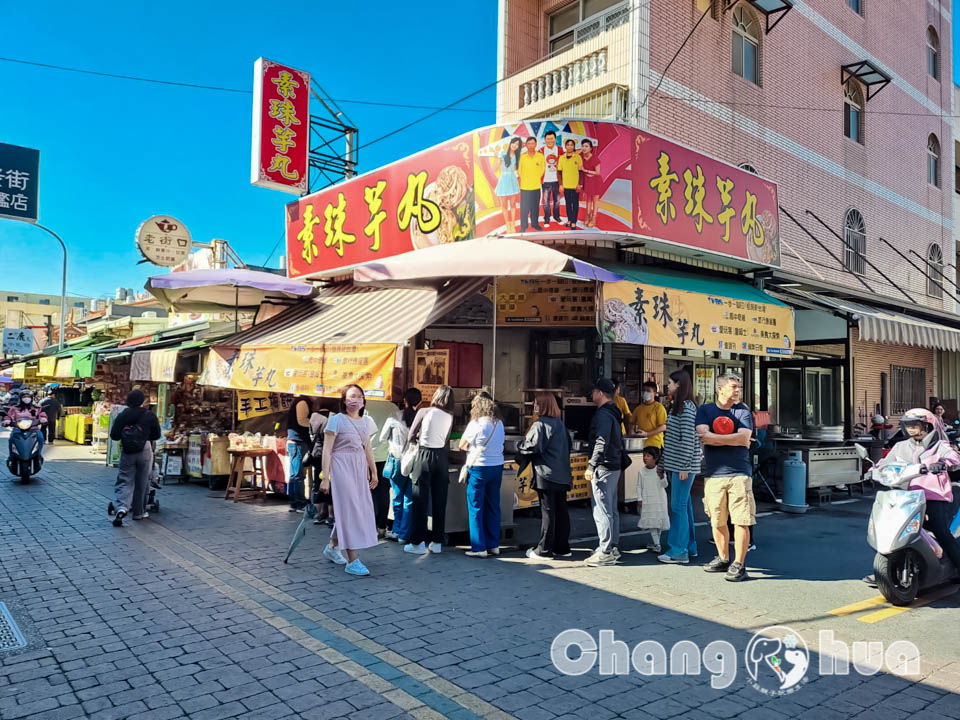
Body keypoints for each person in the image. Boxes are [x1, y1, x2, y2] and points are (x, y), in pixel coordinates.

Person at [863, 408, 960, 586]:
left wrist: (943, 463)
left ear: (928, 426)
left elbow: (954, 458)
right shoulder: (900, 447)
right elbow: (884, 463)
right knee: (891, 528)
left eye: (916, 425)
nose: (911, 429)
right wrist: (872, 471)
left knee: (940, 531)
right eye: (908, 426)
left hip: (934, 496)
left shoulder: (940, 446)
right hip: (905, 495)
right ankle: (886, 568)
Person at [696, 373, 755, 582]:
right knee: (717, 519)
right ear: (720, 389)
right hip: (713, 474)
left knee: (741, 520)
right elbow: (703, 437)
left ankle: (739, 563)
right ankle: (723, 558)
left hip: (740, 472)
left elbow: (744, 437)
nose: (737, 390)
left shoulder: (743, 410)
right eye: (733, 386)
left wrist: (715, 438)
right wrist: (733, 440)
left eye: (739, 386)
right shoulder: (705, 410)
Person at [319, 385, 380, 576]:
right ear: (344, 400)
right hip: (341, 467)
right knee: (350, 509)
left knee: (354, 508)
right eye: (352, 396)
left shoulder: (367, 421)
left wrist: (373, 471)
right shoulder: (336, 420)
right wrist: (325, 477)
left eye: (360, 396)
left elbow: (367, 447)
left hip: (358, 467)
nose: (356, 400)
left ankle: (332, 547)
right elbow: (327, 450)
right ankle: (352, 559)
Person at [518, 392, 572, 559]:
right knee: (561, 511)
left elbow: (531, 446)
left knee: (548, 511)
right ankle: (562, 548)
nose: (534, 407)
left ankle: (544, 549)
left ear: (543, 406)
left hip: (546, 473)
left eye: (536, 404)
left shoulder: (540, 424)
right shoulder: (560, 424)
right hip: (562, 473)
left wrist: (519, 447)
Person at [404, 386, 455, 555]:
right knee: (440, 500)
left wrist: (420, 436)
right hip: (441, 458)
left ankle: (417, 543)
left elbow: (411, 435)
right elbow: (445, 440)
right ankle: (437, 542)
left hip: (424, 455)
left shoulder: (424, 411)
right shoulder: (450, 416)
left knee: (420, 500)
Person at [658, 370, 701, 564]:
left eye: (670, 383)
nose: (668, 386)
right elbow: (673, 440)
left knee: (678, 508)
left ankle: (678, 550)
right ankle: (689, 546)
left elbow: (688, 441)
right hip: (679, 465)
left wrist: (683, 466)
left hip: (683, 466)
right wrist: (663, 463)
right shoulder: (681, 407)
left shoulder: (686, 408)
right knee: (685, 507)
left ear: (679, 385)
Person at [584, 377, 625, 567]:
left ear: (600, 393)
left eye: (594, 392)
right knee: (611, 508)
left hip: (604, 466)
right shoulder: (614, 412)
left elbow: (601, 441)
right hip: (614, 464)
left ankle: (605, 550)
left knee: (602, 509)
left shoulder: (602, 415)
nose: (592, 395)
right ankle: (612, 546)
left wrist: (592, 465)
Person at [460, 393, 505, 558]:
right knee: (493, 506)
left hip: (479, 468)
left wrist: (473, 447)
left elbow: (462, 445)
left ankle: (479, 547)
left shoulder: (475, 424)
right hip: (497, 467)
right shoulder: (499, 424)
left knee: (476, 507)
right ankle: (494, 545)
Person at [107, 390, 161, 527]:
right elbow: (156, 435)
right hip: (145, 450)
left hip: (127, 451)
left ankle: (122, 508)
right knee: (142, 482)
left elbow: (114, 435)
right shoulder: (149, 415)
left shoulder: (123, 415)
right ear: (142, 401)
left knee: (125, 479)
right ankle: (138, 513)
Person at [380, 388, 421, 542]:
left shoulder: (393, 418)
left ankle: (397, 530)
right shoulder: (421, 418)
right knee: (409, 498)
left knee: (397, 497)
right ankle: (405, 533)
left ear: (404, 400)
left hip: (397, 461)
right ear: (420, 402)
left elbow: (383, 438)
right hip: (413, 462)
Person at [366, 399, 398, 539]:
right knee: (383, 492)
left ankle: (370, 526)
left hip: (368, 455)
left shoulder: (365, 405)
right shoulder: (392, 406)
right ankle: (382, 527)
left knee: (370, 493)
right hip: (386, 456)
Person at [637, 446, 669, 553]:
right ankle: (657, 543)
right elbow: (639, 486)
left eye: (648, 456)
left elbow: (665, 485)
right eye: (644, 456)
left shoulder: (660, 470)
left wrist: (662, 477)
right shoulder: (641, 471)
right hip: (648, 499)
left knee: (658, 521)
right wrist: (639, 499)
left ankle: (657, 543)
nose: (645, 458)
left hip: (660, 498)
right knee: (652, 521)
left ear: (655, 458)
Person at [286, 394, 312, 513]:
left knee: (295, 474)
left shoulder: (301, 401)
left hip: (295, 442)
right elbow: (301, 420)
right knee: (298, 474)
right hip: (298, 442)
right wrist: (316, 423)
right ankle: (299, 503)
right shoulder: (303, 401)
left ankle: (293, 503)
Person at [308, 409, 333, 526]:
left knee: (317, 483)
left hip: (316, 453)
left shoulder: (314, 415)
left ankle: (318, 514)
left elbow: (311, 433)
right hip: (327, 454)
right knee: (329, 484)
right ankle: (330, 515)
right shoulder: (332, 417)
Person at [518, 136, 545, 232]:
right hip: (525, 187)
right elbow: (519, 171)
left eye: (533, 143)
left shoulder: (540, 156)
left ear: (536, 144)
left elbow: (542, 170)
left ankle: (535, 224)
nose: (531, 146)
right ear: (526, 145)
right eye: (529, 144)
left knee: (535, 207)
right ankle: (524, 226)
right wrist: (525, 179)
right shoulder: (522, 157)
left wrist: (535, 178)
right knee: (524, 209)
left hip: (536, 186)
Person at [495, 137, 522, 232]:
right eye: (513, 143)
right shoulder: (502, 154)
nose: (515, 145)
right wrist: (496, 157)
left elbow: (517, 170)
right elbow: (495, 168)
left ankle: (512, 224)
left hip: (512, 180)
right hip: (503, 180)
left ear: (519, 147)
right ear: (510, 143)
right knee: (504, 205)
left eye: (517, 144)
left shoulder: (517, 156)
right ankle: (507, 224)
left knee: (513, 203)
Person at [630, 381, 667, 450]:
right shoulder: (638, 408)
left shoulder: (659, 408)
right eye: (643, 390)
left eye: (648, 391)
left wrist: (647, 434)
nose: (645, 393)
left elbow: (663, 427)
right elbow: (631, 422)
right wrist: (632, 431)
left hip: (655, 445)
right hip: (640, 445)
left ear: (655, 393)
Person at [557, 138, 582, 229]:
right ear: (565, 146)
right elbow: (559, 172)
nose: (570, 146)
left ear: (574, 147)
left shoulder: (577, 157)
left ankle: (574, 221)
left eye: (572, 145)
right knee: (568, 203)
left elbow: (581, 172)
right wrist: (560, 184)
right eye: (568, 145)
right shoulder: (562, 158)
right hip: (566, 185)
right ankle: (570, 219)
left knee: (575, 203)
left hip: (575, 185)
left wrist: (580, 184)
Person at [540, 130, 562, 228]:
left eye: (551, 138)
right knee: (546, 201)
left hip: (557, 180)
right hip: (545, 180)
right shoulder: (541, 150)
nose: (550, 140)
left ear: (555, 139)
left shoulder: (560, 149)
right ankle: (547, 219)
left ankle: (557, 217)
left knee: (557, 201)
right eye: (548, 139)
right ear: (545, 140)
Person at [579, 139, 601, 228]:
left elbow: (598, 172)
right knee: (588, 199)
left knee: (595, 200)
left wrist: (585, 170)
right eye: (583, 146)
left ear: (591, 148)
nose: (584, 148)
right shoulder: (581, 157)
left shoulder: (595, 158)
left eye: (586, 146)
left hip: (595, 181)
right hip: (587, 180)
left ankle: (593, 218)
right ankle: (587, 217)